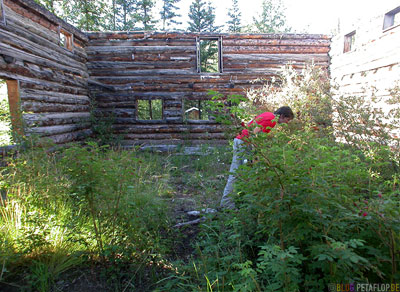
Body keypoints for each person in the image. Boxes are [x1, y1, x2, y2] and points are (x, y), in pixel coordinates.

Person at [220, 106, 294, 209]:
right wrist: (255, 153)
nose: (287, 122)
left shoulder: (267, 114)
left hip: (240, 140)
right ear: (281, 116)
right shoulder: (271, 120)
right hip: (244, 143)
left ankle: (241, 201)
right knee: (239, 173)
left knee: (241, 173)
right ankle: (227, 205)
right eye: (287, 119)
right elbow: (253, 133)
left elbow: (250, 125)